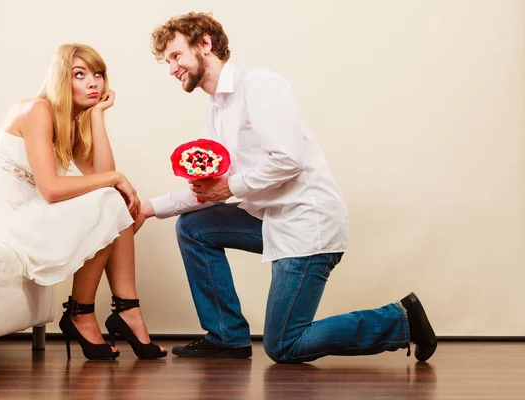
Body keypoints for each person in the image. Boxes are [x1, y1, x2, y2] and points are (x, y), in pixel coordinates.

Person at [134, 12, 437, 363]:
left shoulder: (259, 85)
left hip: (307, 226)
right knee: (193, 227)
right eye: (167, 61)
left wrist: (228, 186)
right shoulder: (216, 113)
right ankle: (227, 335)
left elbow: (288, 159)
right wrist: (149, 208)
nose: (172, 69)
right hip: (271, 221)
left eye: (175, 56)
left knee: (284, 345)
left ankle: (400, 320)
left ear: (205, 43)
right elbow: (213, 189)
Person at [0, 44, 166, 361]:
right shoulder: (37, 110)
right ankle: (81, 312)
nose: (93, 83)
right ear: (61, 79)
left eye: (98, 74)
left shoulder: (69, 121)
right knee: (112, 199)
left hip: (30, 216)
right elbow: (51, 190)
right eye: (80, 75)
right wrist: (116, 179)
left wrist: (97, 115)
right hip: (4, 223)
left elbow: (104, 175)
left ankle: (127, 309)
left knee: (116, 203)